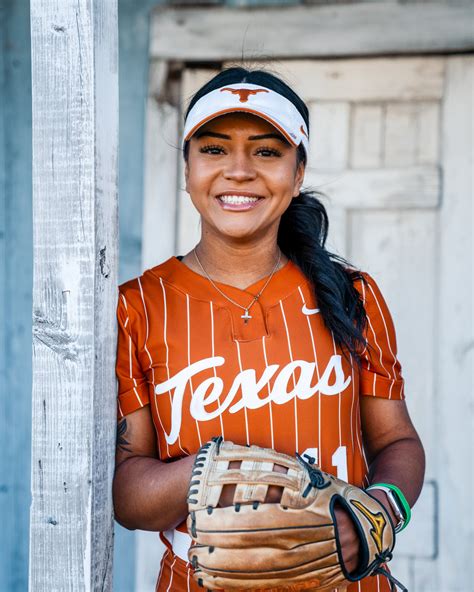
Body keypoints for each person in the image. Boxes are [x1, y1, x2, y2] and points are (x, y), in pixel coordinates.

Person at [112, 66, 425, 592]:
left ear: (298, 172)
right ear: (186, 169)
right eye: (213, 149)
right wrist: (213, 474)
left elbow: (398, 440)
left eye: (266, 151)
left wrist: (377, 513)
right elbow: (128, 495)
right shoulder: (138, 306)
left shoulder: (353, 295)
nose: (239, 171)